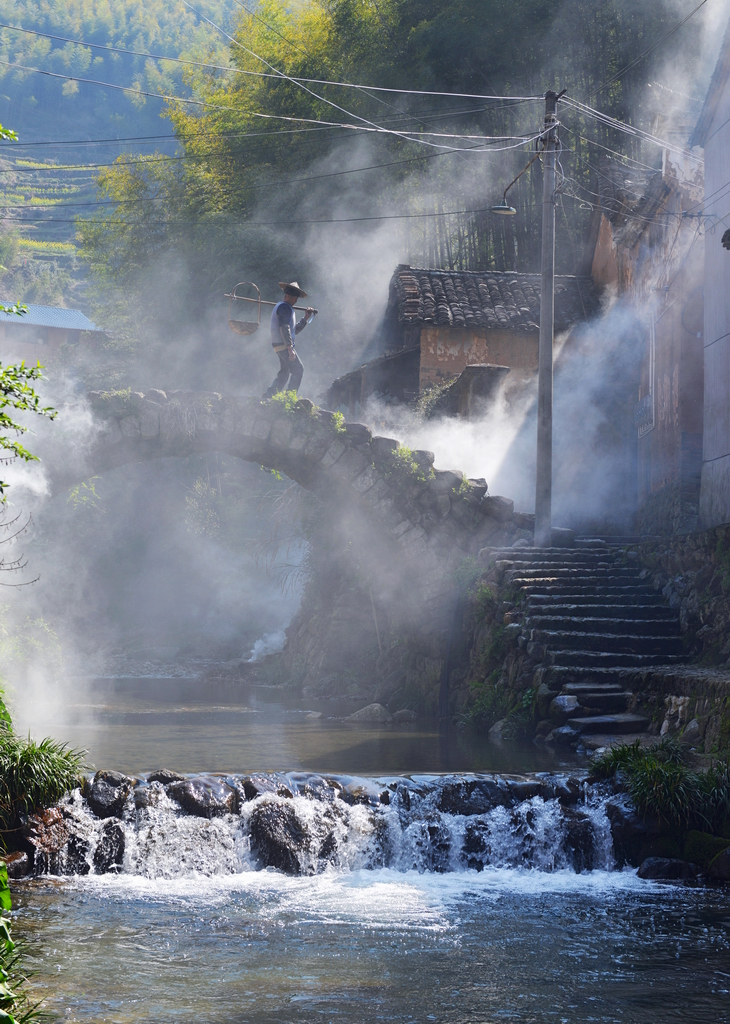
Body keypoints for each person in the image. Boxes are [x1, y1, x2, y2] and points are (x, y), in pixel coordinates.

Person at [263, 281, 315, 398]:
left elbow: (293, 331)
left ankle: (269, 396)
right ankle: (288, 399)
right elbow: (284, 328)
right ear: (288, 296)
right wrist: (290, 348)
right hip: (283, 345)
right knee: (298, 370)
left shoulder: (286, 308)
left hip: (279, 345)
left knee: (284, 372)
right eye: (295, 298)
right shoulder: (284, 308)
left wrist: (305, 319)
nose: (296, 301)